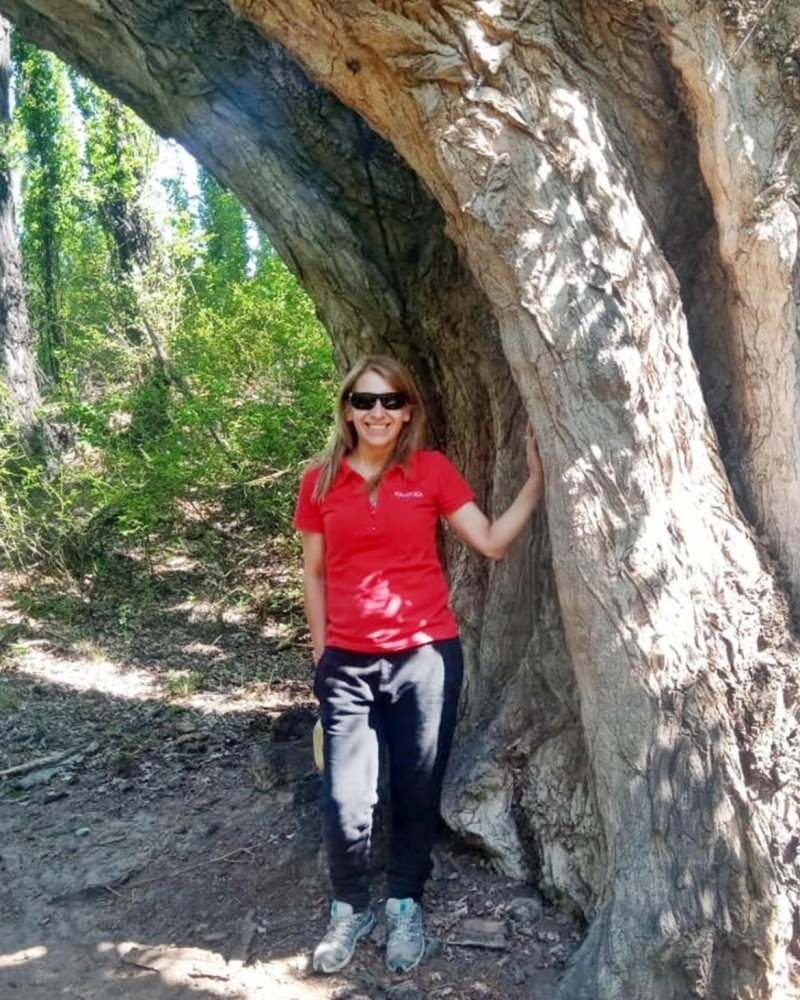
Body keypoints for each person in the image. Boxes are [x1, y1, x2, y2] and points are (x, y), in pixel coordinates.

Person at [292, 355, 543, 975]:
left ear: (408, 411)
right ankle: (351, 908)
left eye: (391, 401)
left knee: (416, 789)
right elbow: (314, 573)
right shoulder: (318, 482)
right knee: (346, 798)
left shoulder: (428, 471)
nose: (378, 412)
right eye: (365, 401)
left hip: (425, 659)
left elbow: (490, 542)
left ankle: (405, 901)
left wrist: (536, 483)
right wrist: (322, 656)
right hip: (347, 665)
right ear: (347, 409)